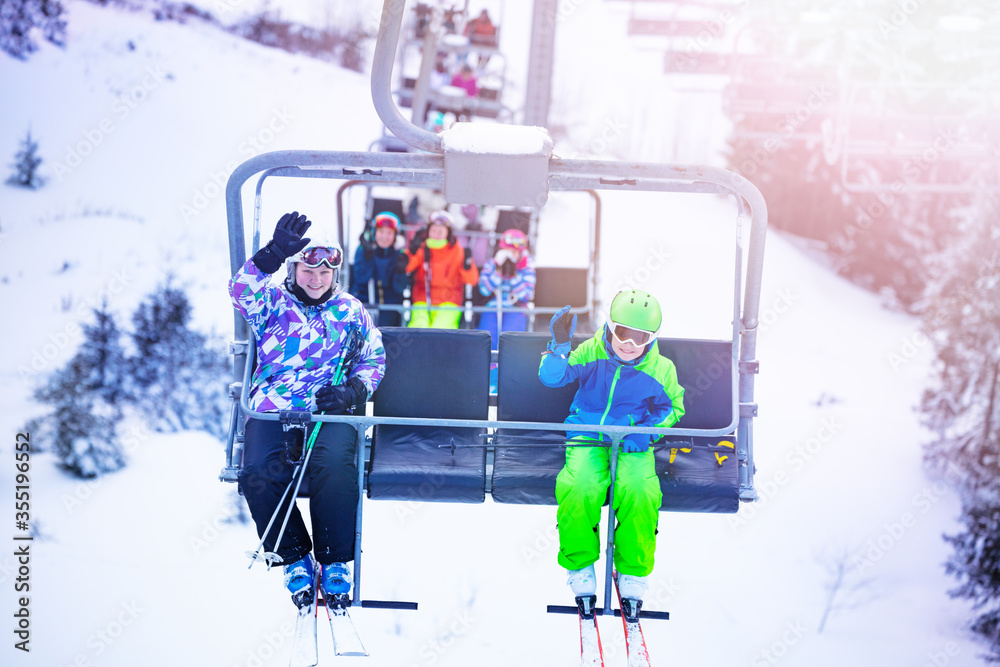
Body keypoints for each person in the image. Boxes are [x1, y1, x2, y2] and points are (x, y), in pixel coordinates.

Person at [228, 211, 386, 608]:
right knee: (257, 472)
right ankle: (294, 555)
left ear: (336, 273)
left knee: (334, 464)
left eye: (324, 272)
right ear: (295, 269)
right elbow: (240, 290)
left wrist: (352, 391)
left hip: (328, 406)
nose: (316, 279)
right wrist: (272, 254)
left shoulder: (350, 312)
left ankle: (334, 561)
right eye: (307, 270)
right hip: (274, 405)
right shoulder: (272, 303)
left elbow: (374, 359)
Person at [539, 289, 685, 611]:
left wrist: (644, 432)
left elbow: (673, 406)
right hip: (587, 433)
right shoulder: (592, 352)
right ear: (610, 326)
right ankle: (579, 564)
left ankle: (633, 571)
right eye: (622, 333)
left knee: (639, 489)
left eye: (640, 337)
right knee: (579, 486)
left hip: (632, 440)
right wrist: (560, 348)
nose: (629, 344)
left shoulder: (660, 369)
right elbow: (553, 378)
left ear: (651, 339)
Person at [403, 210, 479, 329]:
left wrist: (467, 266)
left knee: (441, 329)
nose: (436, 234)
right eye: (433, 230)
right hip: (422, 300)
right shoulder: (422, 249)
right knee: (418, 328)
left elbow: (472, 280)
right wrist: (411, 251)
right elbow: (406, 268)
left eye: (441, 231)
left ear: (448, 233)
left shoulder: (458, 252)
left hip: (449, 303)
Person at [477, 228, 536, 349]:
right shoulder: (492, 264)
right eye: (507, 251)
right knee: (487, 339)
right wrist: (499, 272)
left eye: (514, 252)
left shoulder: (527, 267)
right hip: (492, 307)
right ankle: (490, 367)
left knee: (510, 342)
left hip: (516, 308)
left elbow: (527, 295)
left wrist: (513, 275)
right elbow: (484, 290)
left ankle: (507, 367)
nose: (510, 255)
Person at [349, 211, 409, 328]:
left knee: (385, 331)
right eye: (381, 232)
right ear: (374, 233)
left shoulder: (399, 255)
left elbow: (400, 288)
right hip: (365, 300)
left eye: (389, 233)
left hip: (390, 304)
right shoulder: (363, 250)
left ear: (395, 236)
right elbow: (361, 279)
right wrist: (368, 258)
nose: (385, 237)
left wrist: (401, 272)